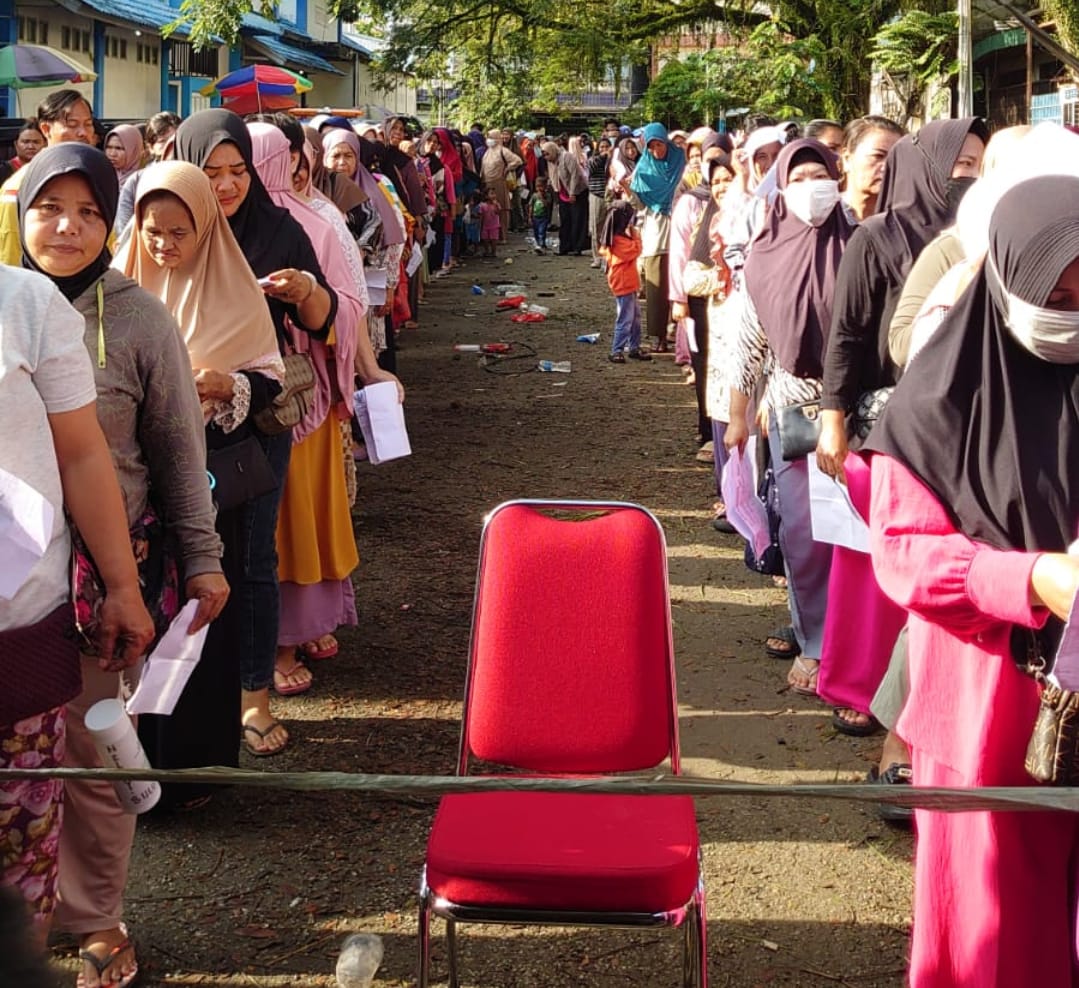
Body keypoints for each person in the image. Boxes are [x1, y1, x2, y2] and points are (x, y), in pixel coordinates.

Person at [17, 142, 226, 986]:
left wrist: (203, 561)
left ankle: (95, 915)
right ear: (20, 208)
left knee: (93, 754)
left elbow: (179, 454)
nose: (67, 226)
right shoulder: (1, 305)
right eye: (49, 206)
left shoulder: (137, 318)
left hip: (101, 580)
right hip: (10, 583)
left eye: (90, 212)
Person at [865, 173, 1079, 986]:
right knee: (997, 935)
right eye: (1051, 286)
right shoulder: (931, 407)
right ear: (1006, 278)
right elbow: (904, 555)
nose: (1067, 303)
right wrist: (1029, 578)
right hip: (989, 709)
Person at [159, 108, 338, 764]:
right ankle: (172, 697)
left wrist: (307, 290)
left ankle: (252, 700)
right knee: (174, 559)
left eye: (237, 171)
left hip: (258, 419)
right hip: (171, 424)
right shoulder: (161, 224)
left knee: (252, 560)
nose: (227, 184)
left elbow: (323, 323)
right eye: (211, 172)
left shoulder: (275, 229)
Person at [0, 264, 153, 959]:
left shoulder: (25, 304)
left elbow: (84, 453)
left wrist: (122, 586)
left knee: (20, 857)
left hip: (19, 639)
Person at [725, 140, 855, 697]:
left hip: (859, 413)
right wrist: (737, 417)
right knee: (805, 538)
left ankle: (856, 649)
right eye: (798, 177)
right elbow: (747, 347)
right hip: (794, 415)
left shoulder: (862, 244)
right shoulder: (764, 257)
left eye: (819, 174)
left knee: (857, 542)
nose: (811, 187)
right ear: (780, 186)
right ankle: (817, 642)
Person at [0, 89, 93, 265]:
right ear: (45, 129)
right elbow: (9, 253)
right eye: (72, 124)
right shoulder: (19, 185)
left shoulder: (95, 178)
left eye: (88, 124)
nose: (83, 133)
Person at [622, 123, 686, 352]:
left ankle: (678, 334)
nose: (656, 150)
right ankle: (658, 335)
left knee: (680, 283)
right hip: (657, 232)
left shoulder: (682, 161)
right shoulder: (644, 168)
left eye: (659, 145)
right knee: (656, 285)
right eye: (651, 146)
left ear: (666, 142)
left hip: (683, 229)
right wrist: (627, 189)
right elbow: (638, 203)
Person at [598, 200, 649, 363]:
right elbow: (636, 249)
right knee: (625, 318)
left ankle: (634, 347)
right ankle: (616, 350)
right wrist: (635, 233)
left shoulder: (614, 238)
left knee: (635, 317)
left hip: (628, 282)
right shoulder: (618, 241)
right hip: (624, 283)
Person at [479, 130, 522, 243]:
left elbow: (518, 161)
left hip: (499, 182)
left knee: (501, 209)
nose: (489, 140)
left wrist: (507, 168)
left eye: (491, 137)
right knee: (489, 210)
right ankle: (491, 236)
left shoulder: (503, 151)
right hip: (487, 183)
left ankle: (502, 236)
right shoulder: (487, 152)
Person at [531, 175, 553, 252]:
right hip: (535, 216)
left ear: (545, 187)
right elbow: (531, 205)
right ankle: (538, 244)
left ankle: (542, 244)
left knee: (542, 231)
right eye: (537, 186)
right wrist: (529, 217)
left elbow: (547, 204)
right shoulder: (534, 196)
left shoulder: (547, 196)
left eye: (541, 186)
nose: (539, 189)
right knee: (536, 231)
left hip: (544, 217)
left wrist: (542, 198)